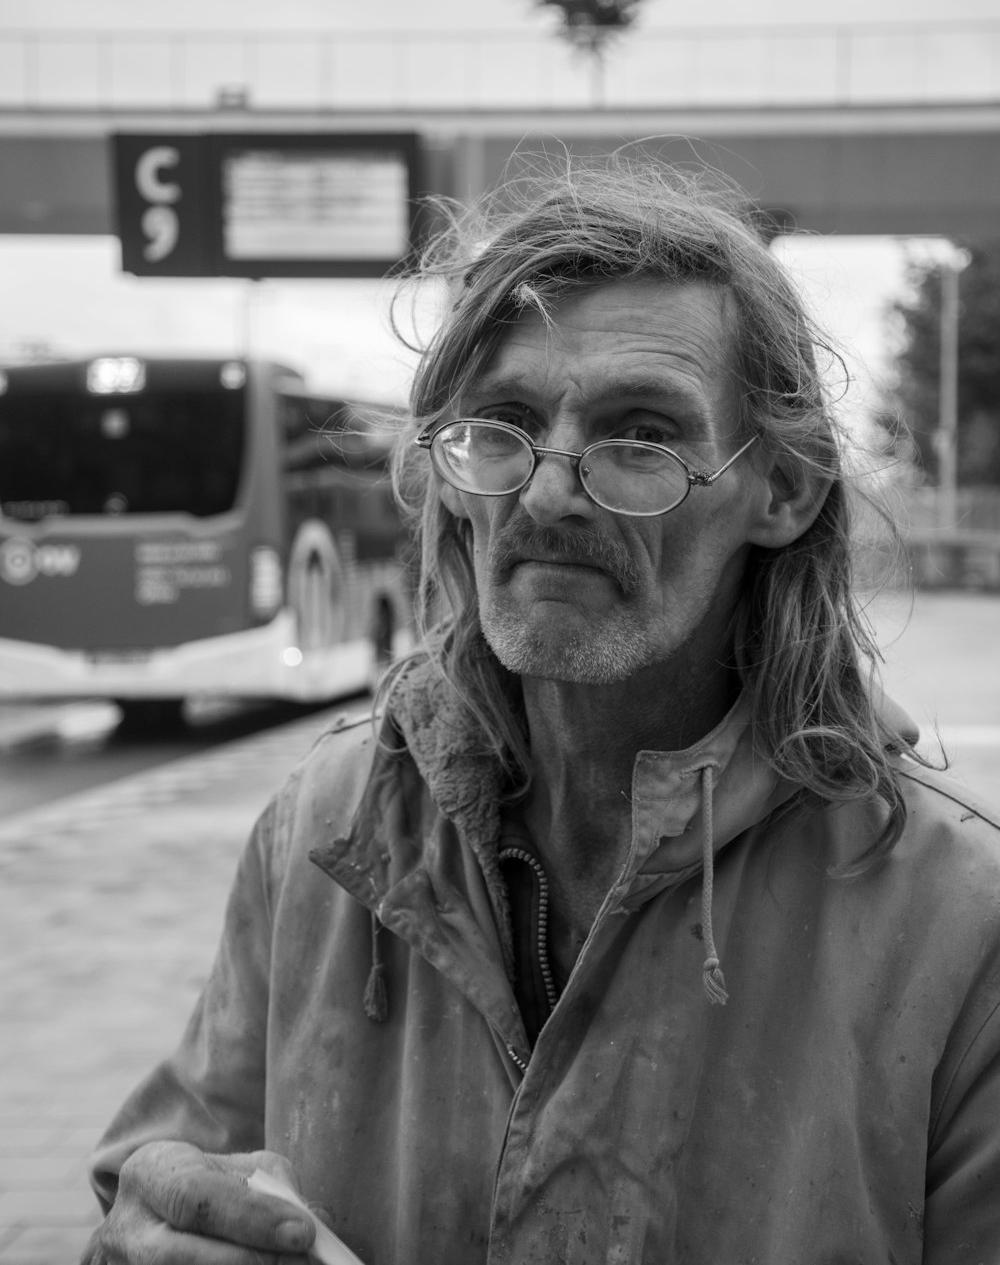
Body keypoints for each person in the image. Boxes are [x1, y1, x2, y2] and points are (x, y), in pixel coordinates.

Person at [83, 163, 1000, 1264]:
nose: (549, 492)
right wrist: (148, 1221)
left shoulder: (955, 924)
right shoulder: (322, 837)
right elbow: (170, 1164)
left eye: (641, 435)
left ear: (783, 492)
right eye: (503, 425)